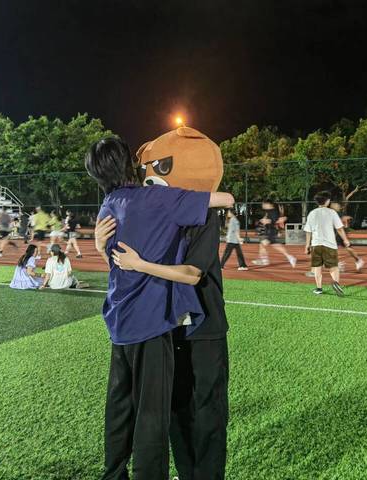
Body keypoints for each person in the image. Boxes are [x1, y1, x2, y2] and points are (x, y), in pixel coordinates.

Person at [86, 137, 234, 480]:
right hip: (164, 325)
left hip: (195, 324)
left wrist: (117, 254)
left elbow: (193, 273)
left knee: (204, 411)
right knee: (168, 412)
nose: (149, 172)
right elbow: (123, 263)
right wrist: (105, 248)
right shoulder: (153, 201)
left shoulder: (120, 203)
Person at [304, 191, 350, 296]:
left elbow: (308, 231)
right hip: (330, 244)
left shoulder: (312, 213)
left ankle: (319, 288)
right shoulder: (332, 212)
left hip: (316, 244)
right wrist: (345, 239)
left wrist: (307, 245)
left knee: (317, 267)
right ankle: (336, 283)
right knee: (333, 267)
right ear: (328, 201)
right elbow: (339, 228)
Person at [252, 200, 296, 268]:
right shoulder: (269, 212)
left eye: (264, 204)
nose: (263, 205)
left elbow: (276, 220)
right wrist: (264, 220)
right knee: (275, 245)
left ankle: (264, 260)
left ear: (269, 205)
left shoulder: (273, 211)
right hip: (270, 231)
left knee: (263, 244)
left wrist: (268, 221)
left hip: (271, 231)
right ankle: (290, 257)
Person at [331, 202, 364, 272]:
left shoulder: (338, 214)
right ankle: (339, 264)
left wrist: (346, 224)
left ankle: (357, 260)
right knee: (333, 248)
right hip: (335, 232)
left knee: (347, 247)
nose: (335, 205)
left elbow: (345, 220)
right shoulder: (332, 213)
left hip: (340, 233)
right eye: (334, 204)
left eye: (336, 204)